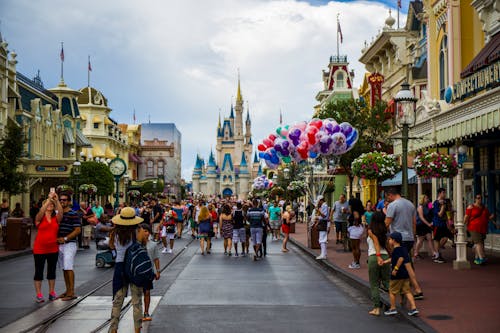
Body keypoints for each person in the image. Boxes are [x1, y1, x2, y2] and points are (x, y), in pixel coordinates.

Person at [108, 207, 145, 333]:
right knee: (137, 301)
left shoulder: (114, 233)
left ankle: (113, 329)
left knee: (118, 300)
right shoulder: (137, 231)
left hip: (120, 267)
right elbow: (142, 244)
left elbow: (111, 246)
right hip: (134, 267)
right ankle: (137, 330)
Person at [384, 186, 424, 300]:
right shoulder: (410, 204)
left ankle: (414, 289)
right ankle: (411, 288)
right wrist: (413, 236)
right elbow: (413, 223)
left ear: (391, 195)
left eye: (388, 197)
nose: (388, 199)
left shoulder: (393, 205)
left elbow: (387, 223)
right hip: (409, 238)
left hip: (397, 239)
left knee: (403, 264)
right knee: (407, 263)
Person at [33, 192, 63, 302]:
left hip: (53, 248)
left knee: (51, 271)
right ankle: (39, 294)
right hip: (40, 248)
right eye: (47, 204)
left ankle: (51, 292)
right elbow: (41, 212)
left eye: (51, 204)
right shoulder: (39, 218)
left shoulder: (56, 218)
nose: (50, 204)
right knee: (39, 271)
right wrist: (48, 200)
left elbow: (60, 213)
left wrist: (56, 200)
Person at [383, 232, 419, 317]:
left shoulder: (396, 250)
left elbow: (400, 259)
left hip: (397, 275)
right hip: (405, 275)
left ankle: (392, 308)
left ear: (394, 241)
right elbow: (394, 259)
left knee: (392, 291)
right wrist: (385, 262)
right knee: (407, 291)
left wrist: (395, 269)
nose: (389, 241)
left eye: (390, 239)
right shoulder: (403, 249)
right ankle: (414, 308)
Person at [57, 192, 81, 301]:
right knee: (64, 268)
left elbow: (77, 230)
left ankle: (71, 292)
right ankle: (67, 290)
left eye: (64, 200)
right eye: (60, 200)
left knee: (68, 267)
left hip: (69, 244)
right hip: (59, 245)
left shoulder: (73, 213)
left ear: (69, 202)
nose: (62, 202)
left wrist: (65, 238)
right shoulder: (58, 214)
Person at [367, 212, 390, 316]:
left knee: (374, 284)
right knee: (387, 282)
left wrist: (378, 256)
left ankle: (376, 308)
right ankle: (392, 305)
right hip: (386, 256)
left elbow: (375, 242)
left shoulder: (371, 231)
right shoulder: (385, 231)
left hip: (374, 256)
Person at [464, 194, 494, 265]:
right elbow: (466, 217)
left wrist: (492, 217)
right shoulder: (471, 207)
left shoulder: (484, 208)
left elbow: (488, 217)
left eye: (480, 198)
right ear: (475, 199)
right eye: (478, 198)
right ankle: (481, 258)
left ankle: (477, 257)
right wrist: (464, 224)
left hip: (482, 228)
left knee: (480, 243)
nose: (479, 199)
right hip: (473, 227)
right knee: (478, 243)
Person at [139, 223, 160, 322]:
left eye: (147, 231)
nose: (145, 233)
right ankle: (138, 312)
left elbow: (156, 259)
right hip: (138, 273)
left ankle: (146, 312)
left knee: (147, 292)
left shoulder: (153, 244)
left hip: (148, 272)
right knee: (138, 293)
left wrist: (157, 271)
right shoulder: (136, 244)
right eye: (143, 231)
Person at [432, 188, 453, 263]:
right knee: (437, 239)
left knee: (446, 238)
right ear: (439, 193)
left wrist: (450, 223)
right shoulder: (435, 203)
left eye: (445, 193)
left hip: (444, 223)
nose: (444, 194)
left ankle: (436, 252)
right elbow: (440, 214)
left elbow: (448, 213)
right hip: (437, 223)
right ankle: (437, 256)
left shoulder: (445, 202)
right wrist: (443, 205)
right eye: (443, 193)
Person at [414, 194, 438, 260]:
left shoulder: (428, 206)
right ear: (423, 199)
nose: (427, 199)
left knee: (429, 238)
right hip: (421, 225)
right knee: (420, 240)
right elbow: (421, 217)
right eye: (426, 198)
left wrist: (432, 205)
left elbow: (432, 211)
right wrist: (428, 224)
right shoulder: (420, 207)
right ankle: (416, 253)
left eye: (427, 198)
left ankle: (433, 253)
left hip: (427, 224)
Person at [313, 196, 330, 260]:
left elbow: (324, 216)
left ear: (321, 200)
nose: (318, 202)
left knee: (322, 239)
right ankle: (323, 253)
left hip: (323, 223)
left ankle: (323, 254)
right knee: (322, 239)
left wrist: (318, 212)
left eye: (318, 201)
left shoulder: (324, 206)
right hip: (323, 222)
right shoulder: (324, 205)